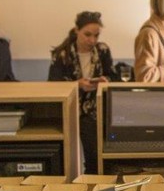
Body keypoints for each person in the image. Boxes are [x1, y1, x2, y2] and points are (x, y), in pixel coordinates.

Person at [48, 11, 118, 174]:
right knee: (64, 158)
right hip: (68, 109)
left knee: (94, 157)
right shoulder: (62, 54)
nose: (92, 40)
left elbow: (113, 75)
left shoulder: (102, 51)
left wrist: (104, 80)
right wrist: (77, 84)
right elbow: (53, 84)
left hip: (94, 111)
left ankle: (93, 184)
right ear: (76, 31)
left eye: (96, 35)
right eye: (87, 35)